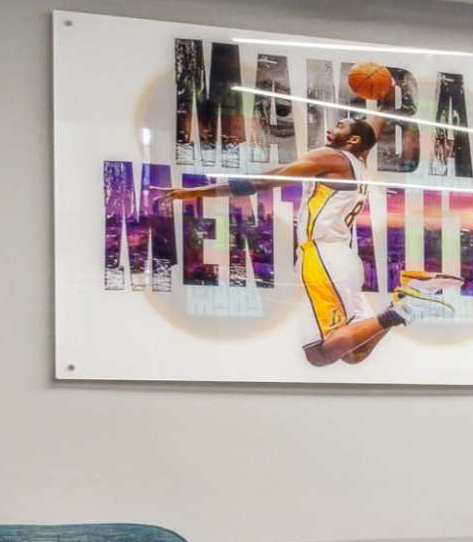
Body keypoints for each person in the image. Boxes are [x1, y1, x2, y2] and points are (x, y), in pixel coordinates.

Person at [155, 110, 443, 366]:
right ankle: (403, 303)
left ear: (353, 141)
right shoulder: (359, 162)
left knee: (318, 353)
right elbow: (370, 133)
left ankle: (398, 311)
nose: (333, 127)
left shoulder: (331, 157)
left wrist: (198, 191)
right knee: (353, 352)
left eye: (340, 125)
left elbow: (266, 180)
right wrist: (386, 109)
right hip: (344, 258)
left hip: (321, 256)